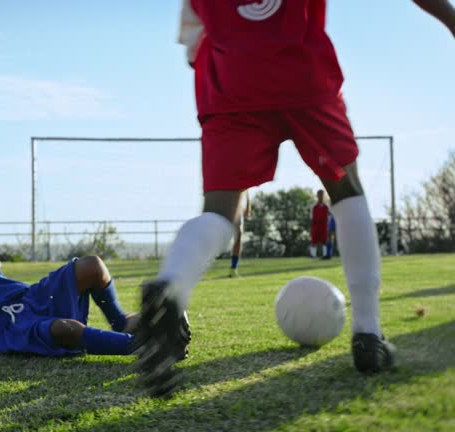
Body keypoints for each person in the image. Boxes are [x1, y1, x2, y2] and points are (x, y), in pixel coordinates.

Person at [136, 0, 455, 398]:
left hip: (229, 82)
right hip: (302, 72)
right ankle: (368, 333)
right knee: (346, 190)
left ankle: (171, 287)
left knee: (220, 211)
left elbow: (194, 42)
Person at [0, 204, 190, 359]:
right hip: (6, 328)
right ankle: (148, 348)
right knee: (63, 329)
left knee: (91, 266)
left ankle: (121, 321)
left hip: (30, 298)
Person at [229, 190, 251, 277]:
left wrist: (248, 206)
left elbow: (246, 188)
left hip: (238, 206)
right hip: (223, 204)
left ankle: (233, 269)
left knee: (239, 234)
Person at [310, 190, 330, 258]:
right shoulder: (314, 206)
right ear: (317, 195)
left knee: (324, 240)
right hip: (315, 225)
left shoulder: (327, 206)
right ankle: (313, 255)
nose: (320, 196)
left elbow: (329, 216)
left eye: (322, 194)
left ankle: (325, 255)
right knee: (314, 240)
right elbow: (311, 217)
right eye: (319, 194)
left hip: (324, 225)